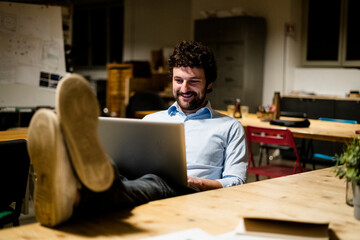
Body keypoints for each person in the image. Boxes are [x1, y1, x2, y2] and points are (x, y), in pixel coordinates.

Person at [27, 40, 248, 227]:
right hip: (138, 182)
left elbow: (237, 182)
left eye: (193, 82)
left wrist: (199, 183)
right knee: (116, 169)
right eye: (178, 80)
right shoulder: (151, 120)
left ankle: (73, 190)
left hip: (188, 193)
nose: (184, 88)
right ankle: (78, 183)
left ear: (209, 83)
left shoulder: (229, 127)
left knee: (153, 181)